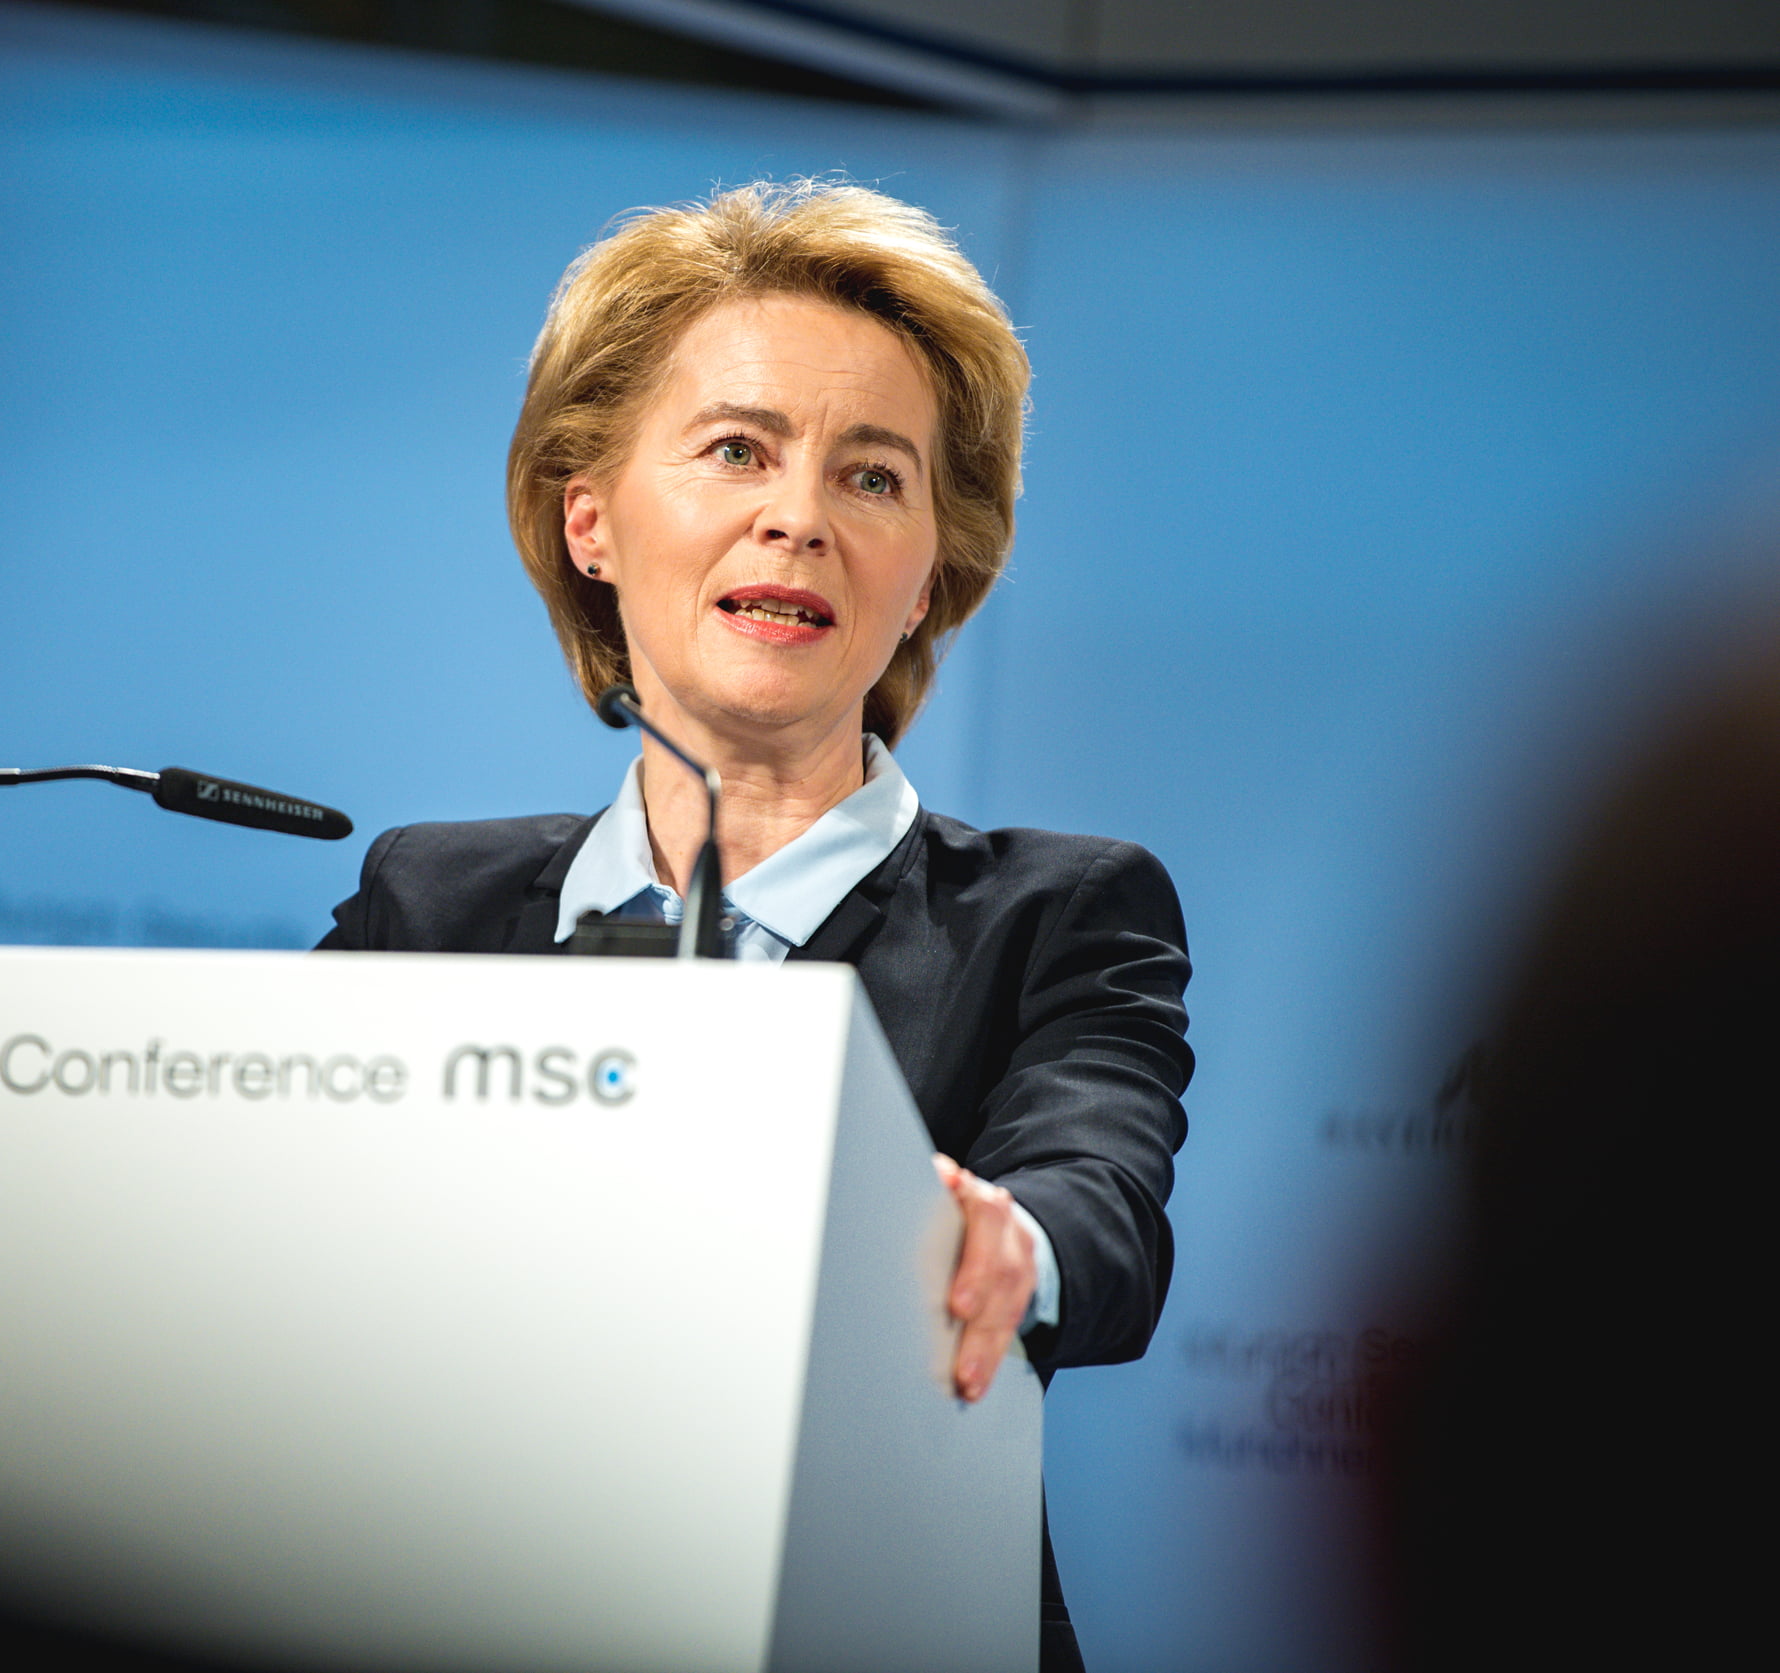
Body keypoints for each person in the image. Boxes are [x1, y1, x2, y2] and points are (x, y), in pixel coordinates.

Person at [319, 180, 1191, 1672]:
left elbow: (1094, 1197)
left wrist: (1008, 1245)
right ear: (590, 519)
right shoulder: (428, 902)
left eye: (873, 477)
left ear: (930, 573)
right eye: (738, 449)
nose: (799, 517)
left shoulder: (1059, 915)